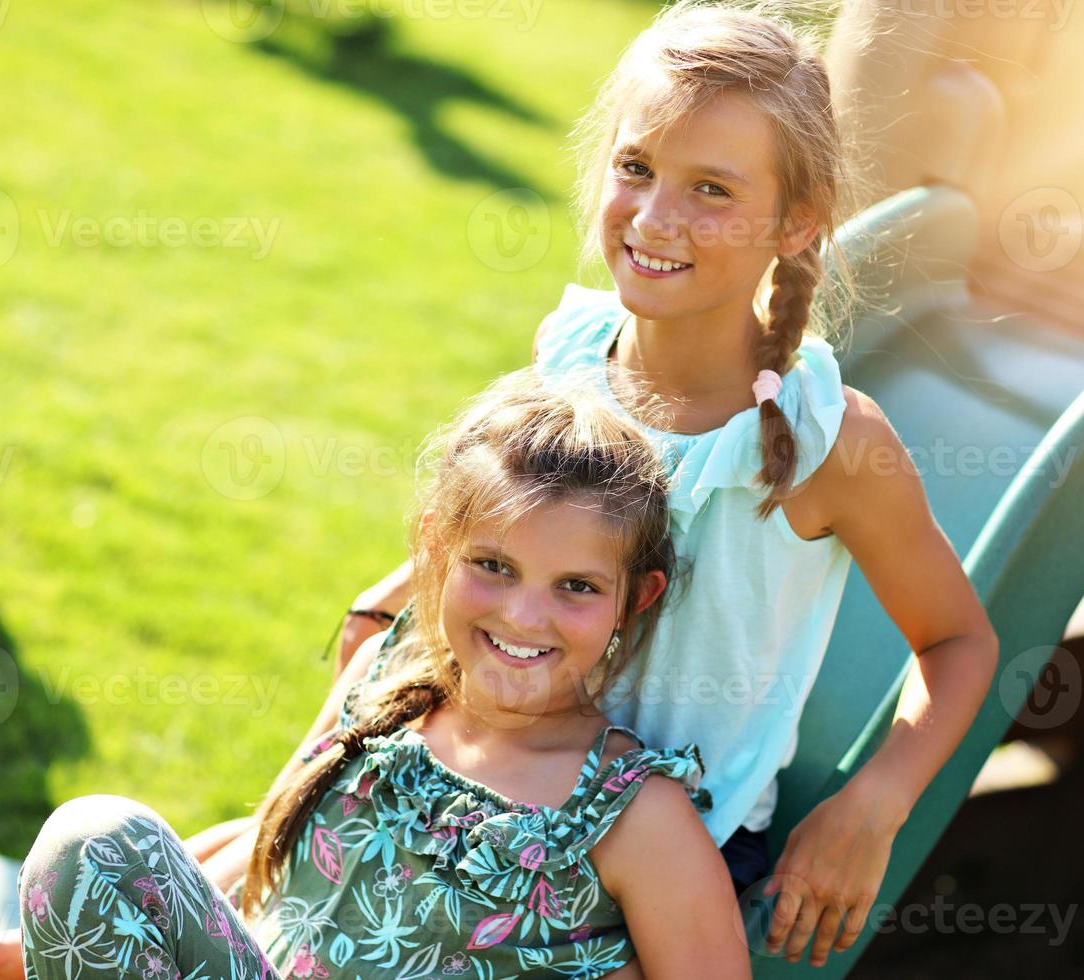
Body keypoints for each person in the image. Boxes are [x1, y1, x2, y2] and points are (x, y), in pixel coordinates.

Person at [321, 0, 1000, 969]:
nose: (654, 216)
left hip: (660, 868)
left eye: (711, 189)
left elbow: (960, 639)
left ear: (796, 222)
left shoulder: (826, 441)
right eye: (636, 168)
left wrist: (874, 801)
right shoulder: (571, 355)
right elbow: (518, 535)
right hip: (496, 793)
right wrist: (388, 600)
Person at [0, 369, 749, 979]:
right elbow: (259, 852)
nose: (524, 617)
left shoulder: (630, 814)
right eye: (493, 565)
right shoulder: (387, 689)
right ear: (432, 548)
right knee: (94, 844)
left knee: (99, 833)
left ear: (634, 601)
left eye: (576, 587)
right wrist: (60, 939)